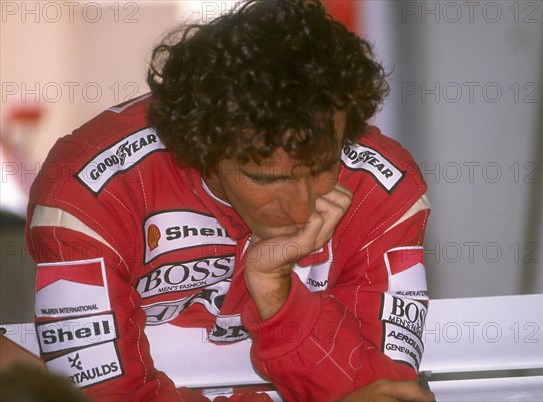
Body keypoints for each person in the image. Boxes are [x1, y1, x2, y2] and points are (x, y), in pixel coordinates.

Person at [26, 1, 434, 401]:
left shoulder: (385, 190)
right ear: (199, 148)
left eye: (323, 168)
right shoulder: (87, 191)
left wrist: (276, 292)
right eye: (264, 177)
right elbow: (104, 396)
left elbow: (383, 392)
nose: (300, 209)